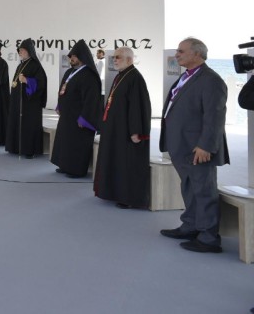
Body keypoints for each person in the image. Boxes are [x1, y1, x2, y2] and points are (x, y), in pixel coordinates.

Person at [159, 37, 229, 254]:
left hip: (198, 147)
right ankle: (190, 226)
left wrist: (205, 146)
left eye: (181, 51)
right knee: (189, 187)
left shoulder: (211, 80)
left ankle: (209, 238)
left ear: (197, 54)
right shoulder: (187, 76)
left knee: (204, 190)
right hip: (182, 144)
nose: (176, 55)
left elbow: (215, 116)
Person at [93, 47, 152, 209]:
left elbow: (138, 107)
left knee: (126, 163)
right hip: (115, 129)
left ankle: (128, 198)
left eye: (118, 57)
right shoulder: (121, 75)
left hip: (126, 131)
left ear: (129, 60)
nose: (114, 60)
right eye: (114, 57)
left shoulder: (135, 78)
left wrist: (136, 131)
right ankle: (113, 192)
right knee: (115, 160)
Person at [50, 39, 103, 178]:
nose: (71, 59)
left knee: (76, 143)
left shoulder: (89, 75)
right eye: (70, 56)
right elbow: (62, 90)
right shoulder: (69, 72)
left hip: (79, 118)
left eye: (74, 56)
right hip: (67, 116)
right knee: (65, 141)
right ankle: (64, 165)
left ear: (82, 57)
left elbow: (91, 100)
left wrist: (84, 118)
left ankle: (76, 170)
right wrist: (59, 105)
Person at [5, 38, 47, 158]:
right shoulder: (21, 65)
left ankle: (29, 150)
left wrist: (27, 80)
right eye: (19, 50)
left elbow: (41, 83)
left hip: (30, 104)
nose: (20, 52)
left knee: (28, 125)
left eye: (22, 50)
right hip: (18, 101)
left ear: (29, 51)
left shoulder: (36, 66)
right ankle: (16, 147)